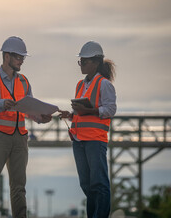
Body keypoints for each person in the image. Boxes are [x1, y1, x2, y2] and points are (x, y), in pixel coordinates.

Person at [0, 36, 52, 218]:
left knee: (19, 187)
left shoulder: (24, 81)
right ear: (7, 56)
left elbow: (29, 110)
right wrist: (1, 104)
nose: (21, 61)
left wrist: (41, 118)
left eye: (23, 58)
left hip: (20, 138)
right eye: (19, 57)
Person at [59, 41, 117, 218]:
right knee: (87, 184)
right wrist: (70, 114)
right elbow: (81, 113)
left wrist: (90, 110)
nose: (81, 65)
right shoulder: (80, 85)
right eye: (80, 61)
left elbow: (111, 109)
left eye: (84, 61)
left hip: (95, 140)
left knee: (99, 184)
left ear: (96, 62)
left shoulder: (104, 84)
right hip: (79, 140)